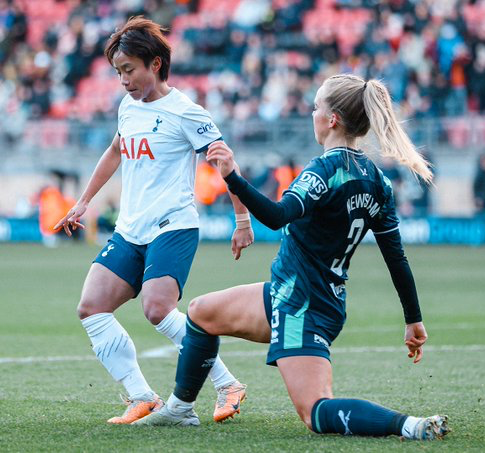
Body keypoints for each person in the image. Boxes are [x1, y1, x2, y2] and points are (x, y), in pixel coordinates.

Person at [135, 74, 451, 441]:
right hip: (299, 294)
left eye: (316, 107)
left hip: (301, 306)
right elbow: (396, 258)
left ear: (331, 119)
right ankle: (180, 409)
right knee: (201, 312)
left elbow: (277, 215)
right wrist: (414, 319)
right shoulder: (377, 180)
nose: (312, 113)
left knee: (315, 412)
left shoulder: (326, 170)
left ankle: (409, 425)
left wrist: (232, 177)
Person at [53, 16, 253, 424]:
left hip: (173, 226)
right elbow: (114, 151)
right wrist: (84, 201)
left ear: (155, 64)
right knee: (91, 307)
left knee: (158, 308)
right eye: (118, 72)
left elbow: (223, 161)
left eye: (128, 70)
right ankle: (143, 397)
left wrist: (242, 219)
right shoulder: (128, 108)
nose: (123, 80)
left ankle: (227, 383)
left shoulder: (186, 112)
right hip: (131, 228)